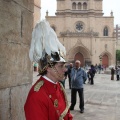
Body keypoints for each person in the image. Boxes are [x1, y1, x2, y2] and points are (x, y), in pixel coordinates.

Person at [24, 20, 73, 120]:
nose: (65, 69)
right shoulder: (37, 96)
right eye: (61, 66)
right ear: (49, 68)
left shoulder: (59, 86)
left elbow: (67, 115)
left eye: (64, 66)